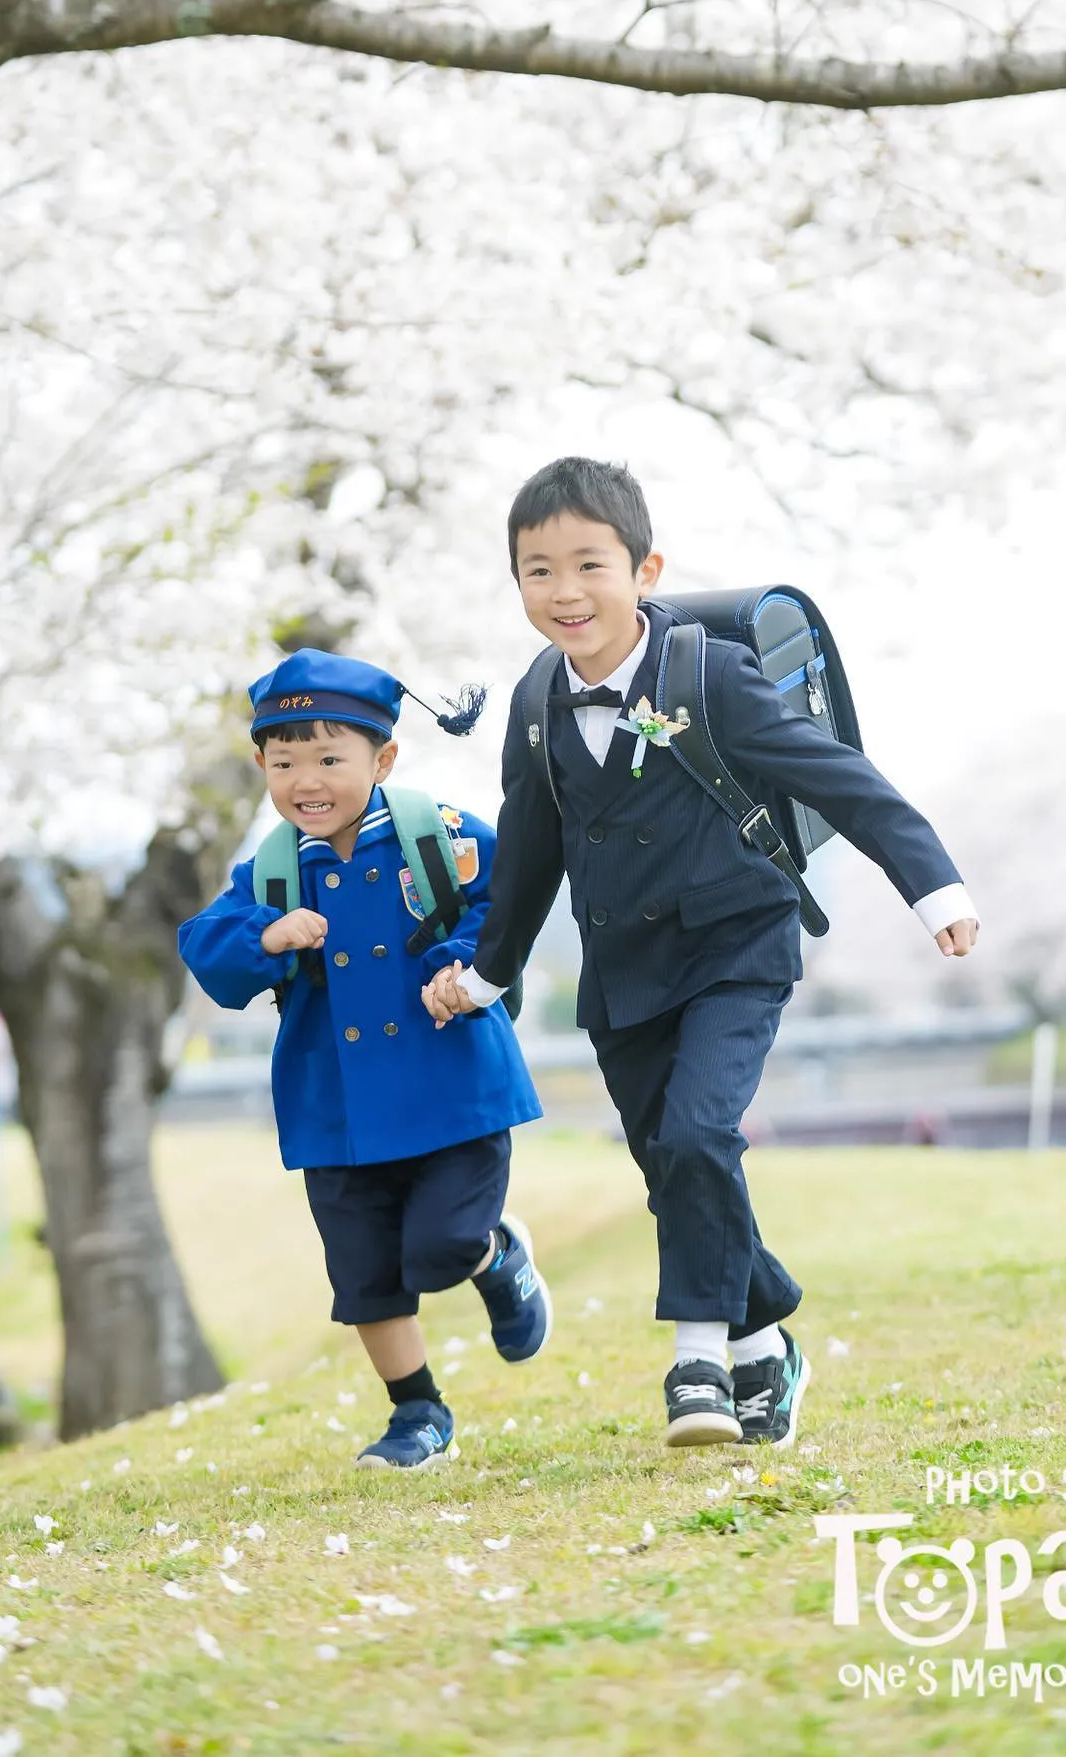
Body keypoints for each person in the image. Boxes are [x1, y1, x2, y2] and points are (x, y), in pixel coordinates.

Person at [427, 457, 979, 1450]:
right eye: (536, 571)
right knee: (676, 1166)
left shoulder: (709, 674)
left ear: (646, 570)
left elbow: (840, 778)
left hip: (737, 946)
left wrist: (933, 886)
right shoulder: (535, 700)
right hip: (621, 975)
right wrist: (488, 973)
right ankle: (769, 1338)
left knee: (695, 1141)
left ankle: (700, 1364)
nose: (563, 592)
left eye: (588, 565)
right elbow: (530, 849)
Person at [178, 649, 551, 1471]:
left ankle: (495, 1255)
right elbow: (203, 947)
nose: (305, 779)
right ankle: (417, 1413)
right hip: (335, 1109)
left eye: (328, 758)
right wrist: (264, 937)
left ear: (383, 759)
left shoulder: (438, 837)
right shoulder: (275, 871)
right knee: (366, 1278)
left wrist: (460, 960)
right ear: (260, 766)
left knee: (444, 1244)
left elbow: (511, 895)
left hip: (453, 1088)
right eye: (284, 762)